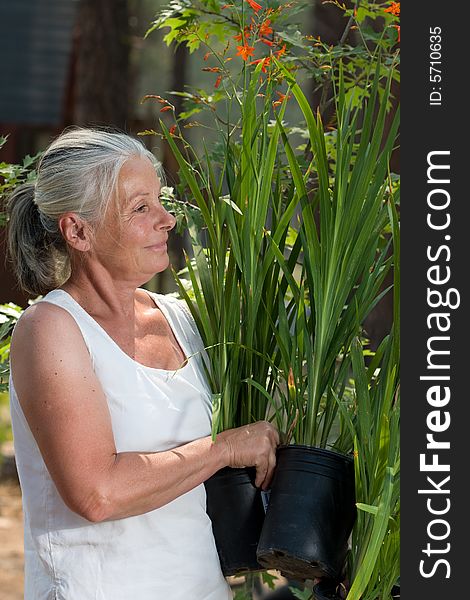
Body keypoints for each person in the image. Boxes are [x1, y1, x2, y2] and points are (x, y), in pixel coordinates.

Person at [6, 127, 279, 600]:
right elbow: (97, 493)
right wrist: (224, 447)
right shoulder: (50, 329)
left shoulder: (182, 319)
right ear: (78, 231)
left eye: (160, 200)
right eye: (140, 208)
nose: (167, 220)